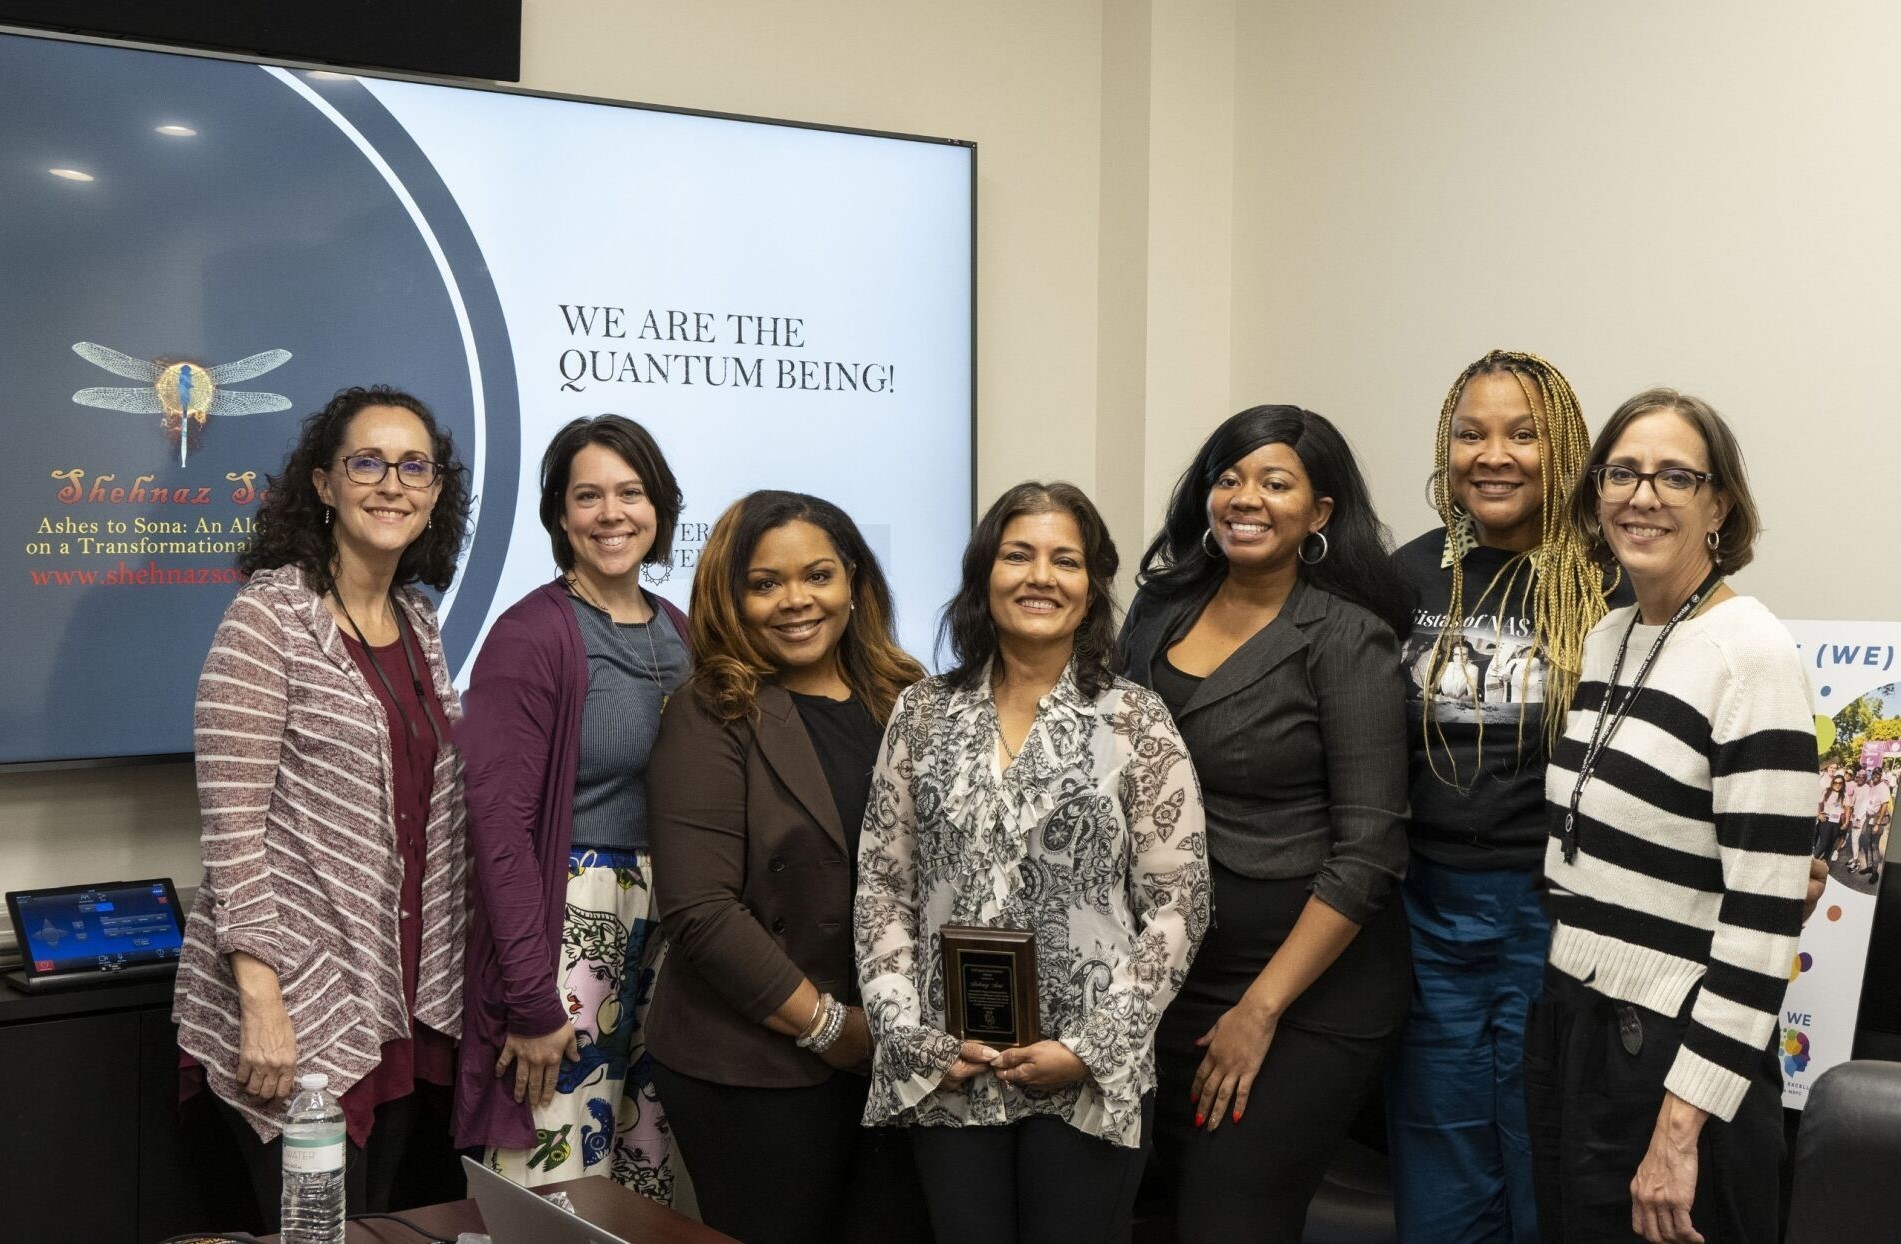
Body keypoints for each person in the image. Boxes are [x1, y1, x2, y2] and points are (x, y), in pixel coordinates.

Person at [856, 482, 1210, 1243]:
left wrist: (1090, 1048)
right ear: (985, 575)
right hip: (951, 1066)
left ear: (1092, 586)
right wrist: (908, 1033)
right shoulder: (920, 712)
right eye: (1018, 555)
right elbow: (884, 886)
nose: (1039, 576)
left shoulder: (1134, 717)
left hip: (1084, 1071)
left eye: (1065, 560)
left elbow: (1180, 902)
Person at [174, 385, 473, 1225]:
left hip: (395, 999)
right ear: (323, 484)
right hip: (296, 1006)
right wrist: (262, 1003)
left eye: (414, 466)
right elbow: (233, 831)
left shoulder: (419, 622)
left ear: (436, 491)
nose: (391, 484)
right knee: (314, 1231)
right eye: (366, 462)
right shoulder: (268, 619)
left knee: (373, 1224)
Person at [1120, 405, 1414, 1243]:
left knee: (1230, 1217)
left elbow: (1368, 854)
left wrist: (1258, 1010)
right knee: (1145, 1210)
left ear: (1318, 513)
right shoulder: (1157, 612)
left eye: (1275, 482)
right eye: (1228, 477)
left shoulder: (1347, 639)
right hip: (1169, 975)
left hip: (1304, 990)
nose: (1245, 498)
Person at [1530, 389, 1815, 1244]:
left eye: (1674, 477)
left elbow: (1763, 926)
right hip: (1573, 1022)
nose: (1641, 496)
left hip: (1672, 1055)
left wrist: (1678, 1127)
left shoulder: (1750, 656)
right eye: (1621, 472)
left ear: (1719, 504)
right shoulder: (1609, 635)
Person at [645, 491, 931, 1243]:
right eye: (764, 583)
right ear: (728, 598)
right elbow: (700, 910)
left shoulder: (912, 698)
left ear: (855, 583)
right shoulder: (711, 711)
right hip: (755, 1064)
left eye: (818, 575)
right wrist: (832, 1029)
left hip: (900, 1057)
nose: (795, 601)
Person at [1386, 350, 1621, 1242]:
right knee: (1437, 1145)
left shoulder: (1607, 580)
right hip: (1425, 910)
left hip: (1553, 911)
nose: (1494, 454)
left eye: (1522, 434)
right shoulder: (1403, 576)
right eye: (1469, 433)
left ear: (1561, 447)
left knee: (1545, 1142)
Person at [453, 415, 688, 1195]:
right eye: (588, 496)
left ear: (660, 508)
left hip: (668, 936)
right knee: (552, 1178)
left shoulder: (682, 632)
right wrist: (530, 998)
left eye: (631, 492)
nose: (611, 513)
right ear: (560, 515)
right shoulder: (530, 636)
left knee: (643, 1173)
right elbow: (500, 833)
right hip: (569, 931)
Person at [1817, 773, 1850, 860]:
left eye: (1840, 783)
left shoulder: (1844, 795)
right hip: (1826, 820)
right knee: (1823, 843)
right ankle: (1810, 861)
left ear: (1843, 784)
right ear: (1832, 783)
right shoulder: (1826, 791)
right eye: (1835, 782)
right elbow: (1819, 803)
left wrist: (1846, 823)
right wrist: (1819, 814)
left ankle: (1824, 862)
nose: (1837, 785)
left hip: (1837, 822)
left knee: (1831, 844)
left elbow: (1847, 809)